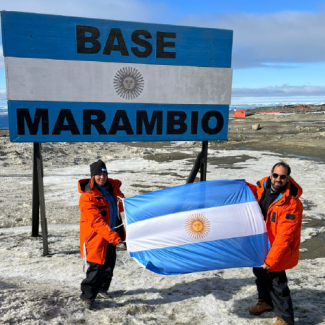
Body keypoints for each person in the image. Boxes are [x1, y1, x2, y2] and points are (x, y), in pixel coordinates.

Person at [246, 161, 303, 325]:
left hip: (278, 250)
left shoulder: (291, 204)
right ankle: (265, 302)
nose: (278, 179)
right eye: (276, 175)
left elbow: (284, 237)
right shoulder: (262, 188)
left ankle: (285, 318)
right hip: (261, 244)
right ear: (271, 175)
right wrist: (240, 186)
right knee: (259, 274)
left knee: (277, 283)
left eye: (282, 177)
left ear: (288, 178)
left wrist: (271, 260)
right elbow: (254, 192)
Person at [78, 159, 126, 309]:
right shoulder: (87, 197)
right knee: (96, 269)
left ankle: (103, 289)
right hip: (96, 238)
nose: (102, 177)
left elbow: (124, 205)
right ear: (92, 176)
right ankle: (87, 297)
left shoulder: (112, 190)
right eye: (98, 174)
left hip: (111, 236)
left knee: (109, 266)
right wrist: (113, 237)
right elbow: (96, 222)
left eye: (104, 174)